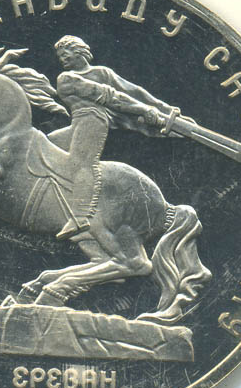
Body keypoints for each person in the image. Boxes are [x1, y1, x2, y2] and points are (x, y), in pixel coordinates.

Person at [49, 35, 181, 240]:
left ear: (79, 51)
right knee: (45, 145)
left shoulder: (102, 73)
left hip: (93, 121)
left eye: (66, 55)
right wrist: (144, 110)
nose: (62, 60)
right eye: (60, 57)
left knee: (83, 163)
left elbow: (132, 91)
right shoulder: (66, 79)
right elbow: (113, 97)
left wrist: (161, 108)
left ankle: (80, 216)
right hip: (78, 123)